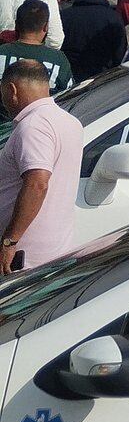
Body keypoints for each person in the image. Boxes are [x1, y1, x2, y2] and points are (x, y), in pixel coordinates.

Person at [0, 58, 81, 271]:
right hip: (53, 252)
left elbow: (37, 184)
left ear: (12, 90)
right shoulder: (70, 122)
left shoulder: (32, 126)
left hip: (22, 259)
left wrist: (9, 241)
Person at [62, 0, 127, 80]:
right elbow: (120, 53)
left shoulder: (65, 15)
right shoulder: (113, 18)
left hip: (69, 75)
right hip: (101, 78)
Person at [0, 1, 72, 94]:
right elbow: (68, 94)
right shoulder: (59, 59)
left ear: (16, 24)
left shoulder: (2, 51)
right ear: (46, 27)